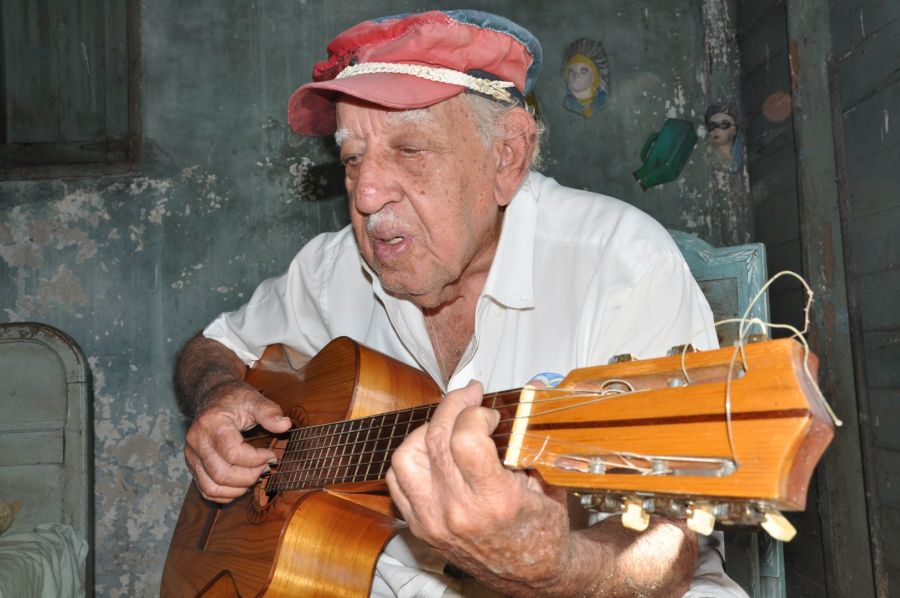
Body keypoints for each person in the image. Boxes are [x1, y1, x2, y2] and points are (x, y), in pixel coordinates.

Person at [174, 10, 748, 597]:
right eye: (351, 158)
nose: (366, 194)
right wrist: (217, 395)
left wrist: (552, 566)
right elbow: (212, 346)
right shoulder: (332, 269)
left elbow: (674, 542)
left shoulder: (621, 264)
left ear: (507, 157)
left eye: (410, 150)